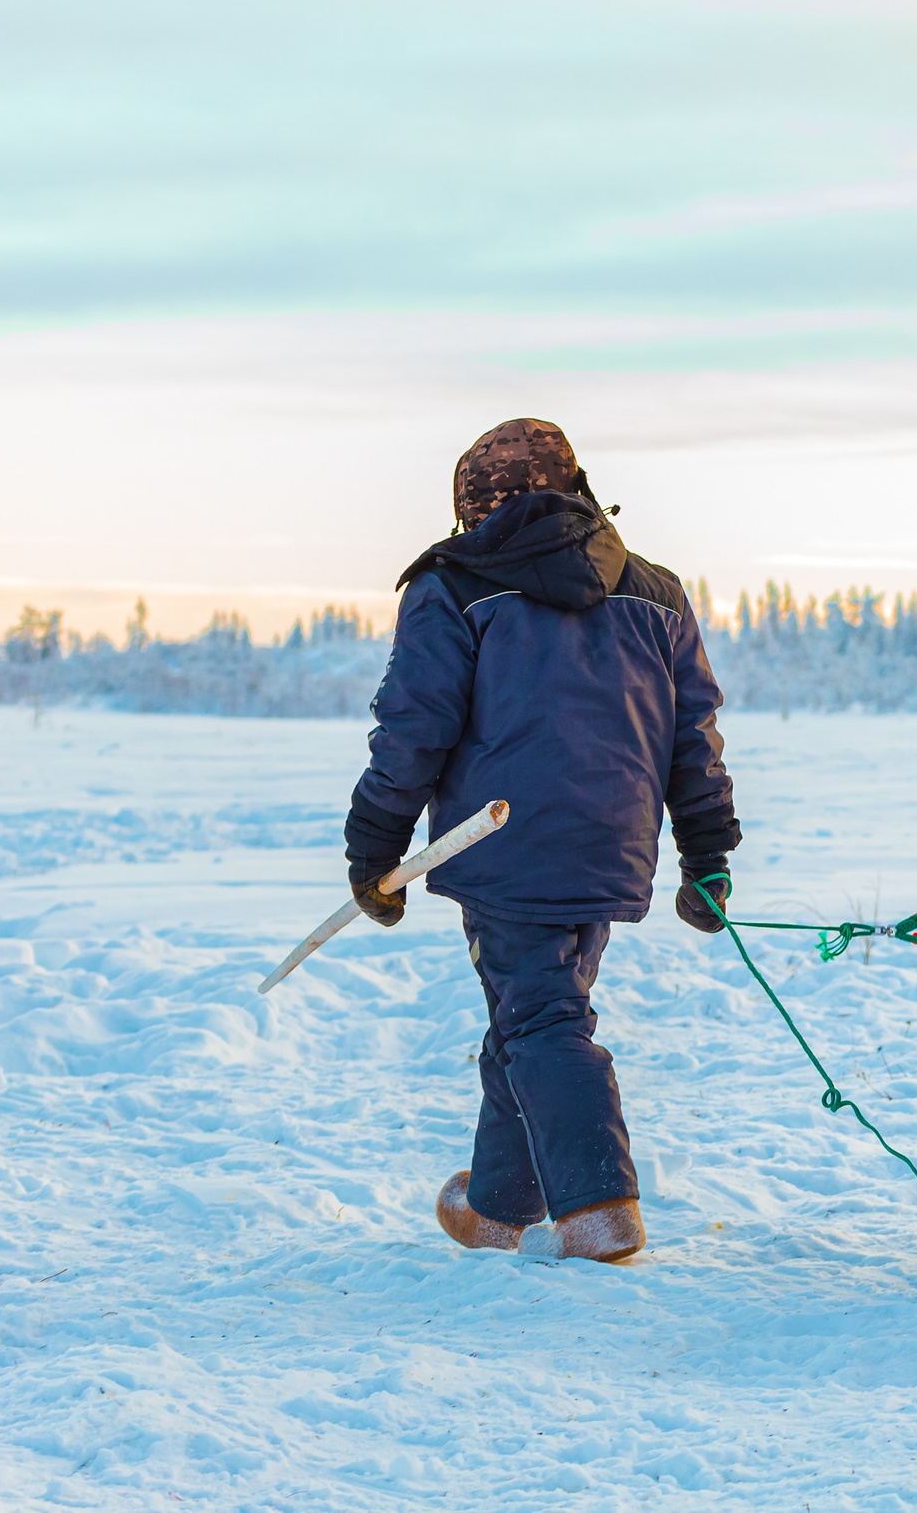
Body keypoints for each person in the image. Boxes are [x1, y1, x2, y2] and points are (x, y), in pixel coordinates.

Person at [342, 418, 739, 1262]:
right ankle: (494, 1207)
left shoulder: (451, 586)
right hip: (613, 844)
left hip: (503, 841)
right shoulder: (657, 591)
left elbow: (414, 726)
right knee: (531, 1010)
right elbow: (690, 735)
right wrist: (706, 854)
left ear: (472, 509)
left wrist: (376, 842)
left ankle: (601, 1207)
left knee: (542, 1015)